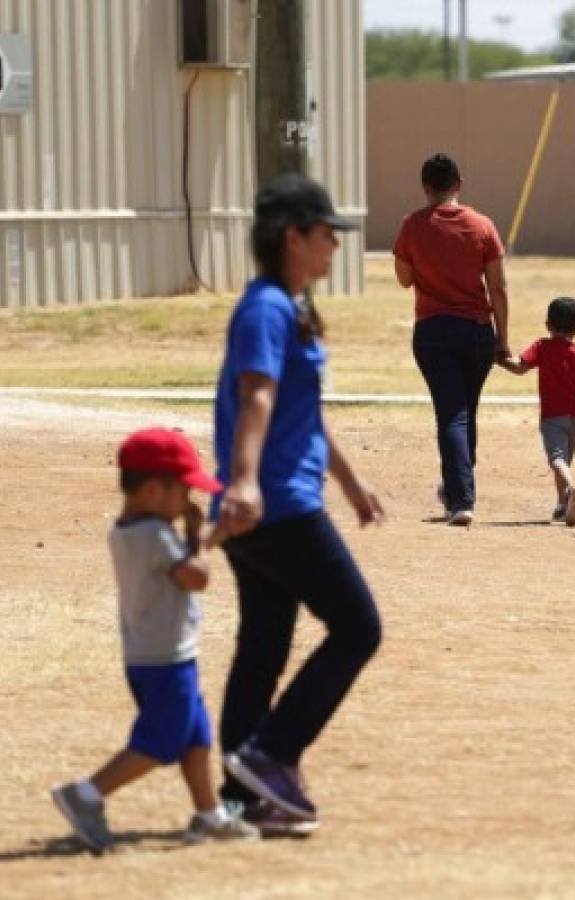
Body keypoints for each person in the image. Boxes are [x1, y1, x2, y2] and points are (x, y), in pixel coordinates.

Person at [213, 174, 384, 837]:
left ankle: (237, 798)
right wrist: (246, 481)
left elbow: (300, 408)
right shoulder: (266, 309)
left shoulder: (289, 305)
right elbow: (256, 395)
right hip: (275, 503)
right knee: (357, 627)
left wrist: (347, 479)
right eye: (326, 235)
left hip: (275, 498)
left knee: (262, 645)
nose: (335, 247)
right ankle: (271, 755)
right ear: (293, 237)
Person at [51, 428, 259, 853]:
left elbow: (179, 565)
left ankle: (209, 815)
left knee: (196, 737)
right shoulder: (157, 536)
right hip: (166, 660)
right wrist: (200, 536)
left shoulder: (128, 530)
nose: (188, 500)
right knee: (163, 740)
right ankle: (86, 794)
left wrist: (207, 535)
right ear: (151, 490)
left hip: (150, 655)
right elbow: (196, 577)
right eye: (183, 491)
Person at [393, 153, 510, 526]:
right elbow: (498, 287)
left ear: (426, 187)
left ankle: (459, 496)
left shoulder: (413, 225)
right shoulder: (482, 226)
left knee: (451, 413)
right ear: (459, 183)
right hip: (476, 329)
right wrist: (502, 339)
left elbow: (404, 278)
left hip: (433, 330)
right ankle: (458, 485)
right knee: (465, 411)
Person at [499, 297, 575, 526]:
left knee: (557, 459)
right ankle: (562, 505)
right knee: (565, 459)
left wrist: (497, 359)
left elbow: (519, 367)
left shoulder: (542, 347)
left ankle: (572, 487)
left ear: (548, 324)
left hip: (552, 416)